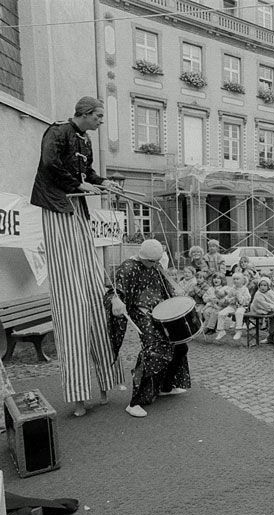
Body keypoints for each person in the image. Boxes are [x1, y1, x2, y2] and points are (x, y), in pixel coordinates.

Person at [30, 96, 125, 416]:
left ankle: (104, 384)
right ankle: (78, 396)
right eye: (98, 116)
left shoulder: (84, 139)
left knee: (93, 296)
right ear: (84, 114)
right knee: (72, 306)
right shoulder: (57, 133)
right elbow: (51, 165)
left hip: (77, 213)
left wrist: (101, 182)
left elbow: (90, 172)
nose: (101, 121)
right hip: (58, 209)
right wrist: (81, 185)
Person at [110, 240, 191, 418]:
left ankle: (165, 386)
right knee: (154, 352)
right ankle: (135, 402)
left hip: (161, 312)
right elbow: (115, 290)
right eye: (151, 262)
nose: (155, 265)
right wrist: (116, 299)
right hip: (142, 314)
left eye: (157, 261)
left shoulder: (155, 265)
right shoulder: (128, 267)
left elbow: (165, 285)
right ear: (142, 257)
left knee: (180, 346)